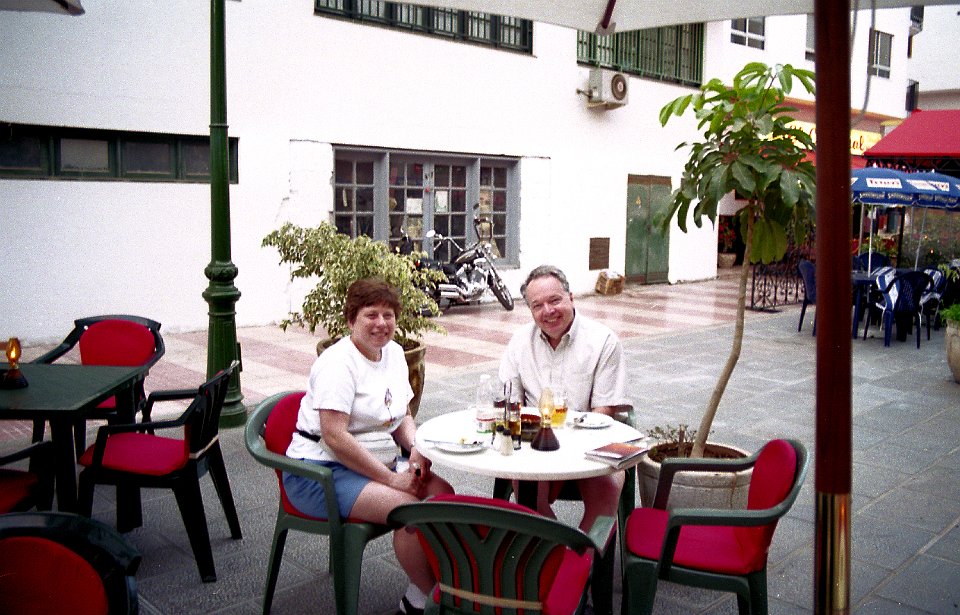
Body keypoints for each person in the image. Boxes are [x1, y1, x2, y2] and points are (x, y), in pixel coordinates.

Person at [284, 278, 453, 615]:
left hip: (373, 459)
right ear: (351, 320)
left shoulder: (394, 353)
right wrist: (392, 480)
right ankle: (429, 599)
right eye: (371, 314)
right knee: (411, 509)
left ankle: (419, 593)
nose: (381, 323)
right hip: (319, 471)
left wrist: (415, 448)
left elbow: (402, 415)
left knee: (444, 495)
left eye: (388, 315)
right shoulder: (337, 364)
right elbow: (334, 436)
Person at [499, 265, 631, 531]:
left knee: (608, 488)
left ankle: (584, 553)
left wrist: (568, 451)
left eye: (555, 300)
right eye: (537, 305)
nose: (548, 311)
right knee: (525, 487)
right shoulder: (519, 342)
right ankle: (557, 548)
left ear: (571, 298)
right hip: (537, 444)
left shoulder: (603, 341)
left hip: (591, 445)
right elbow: (510, 405)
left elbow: (604, 411)